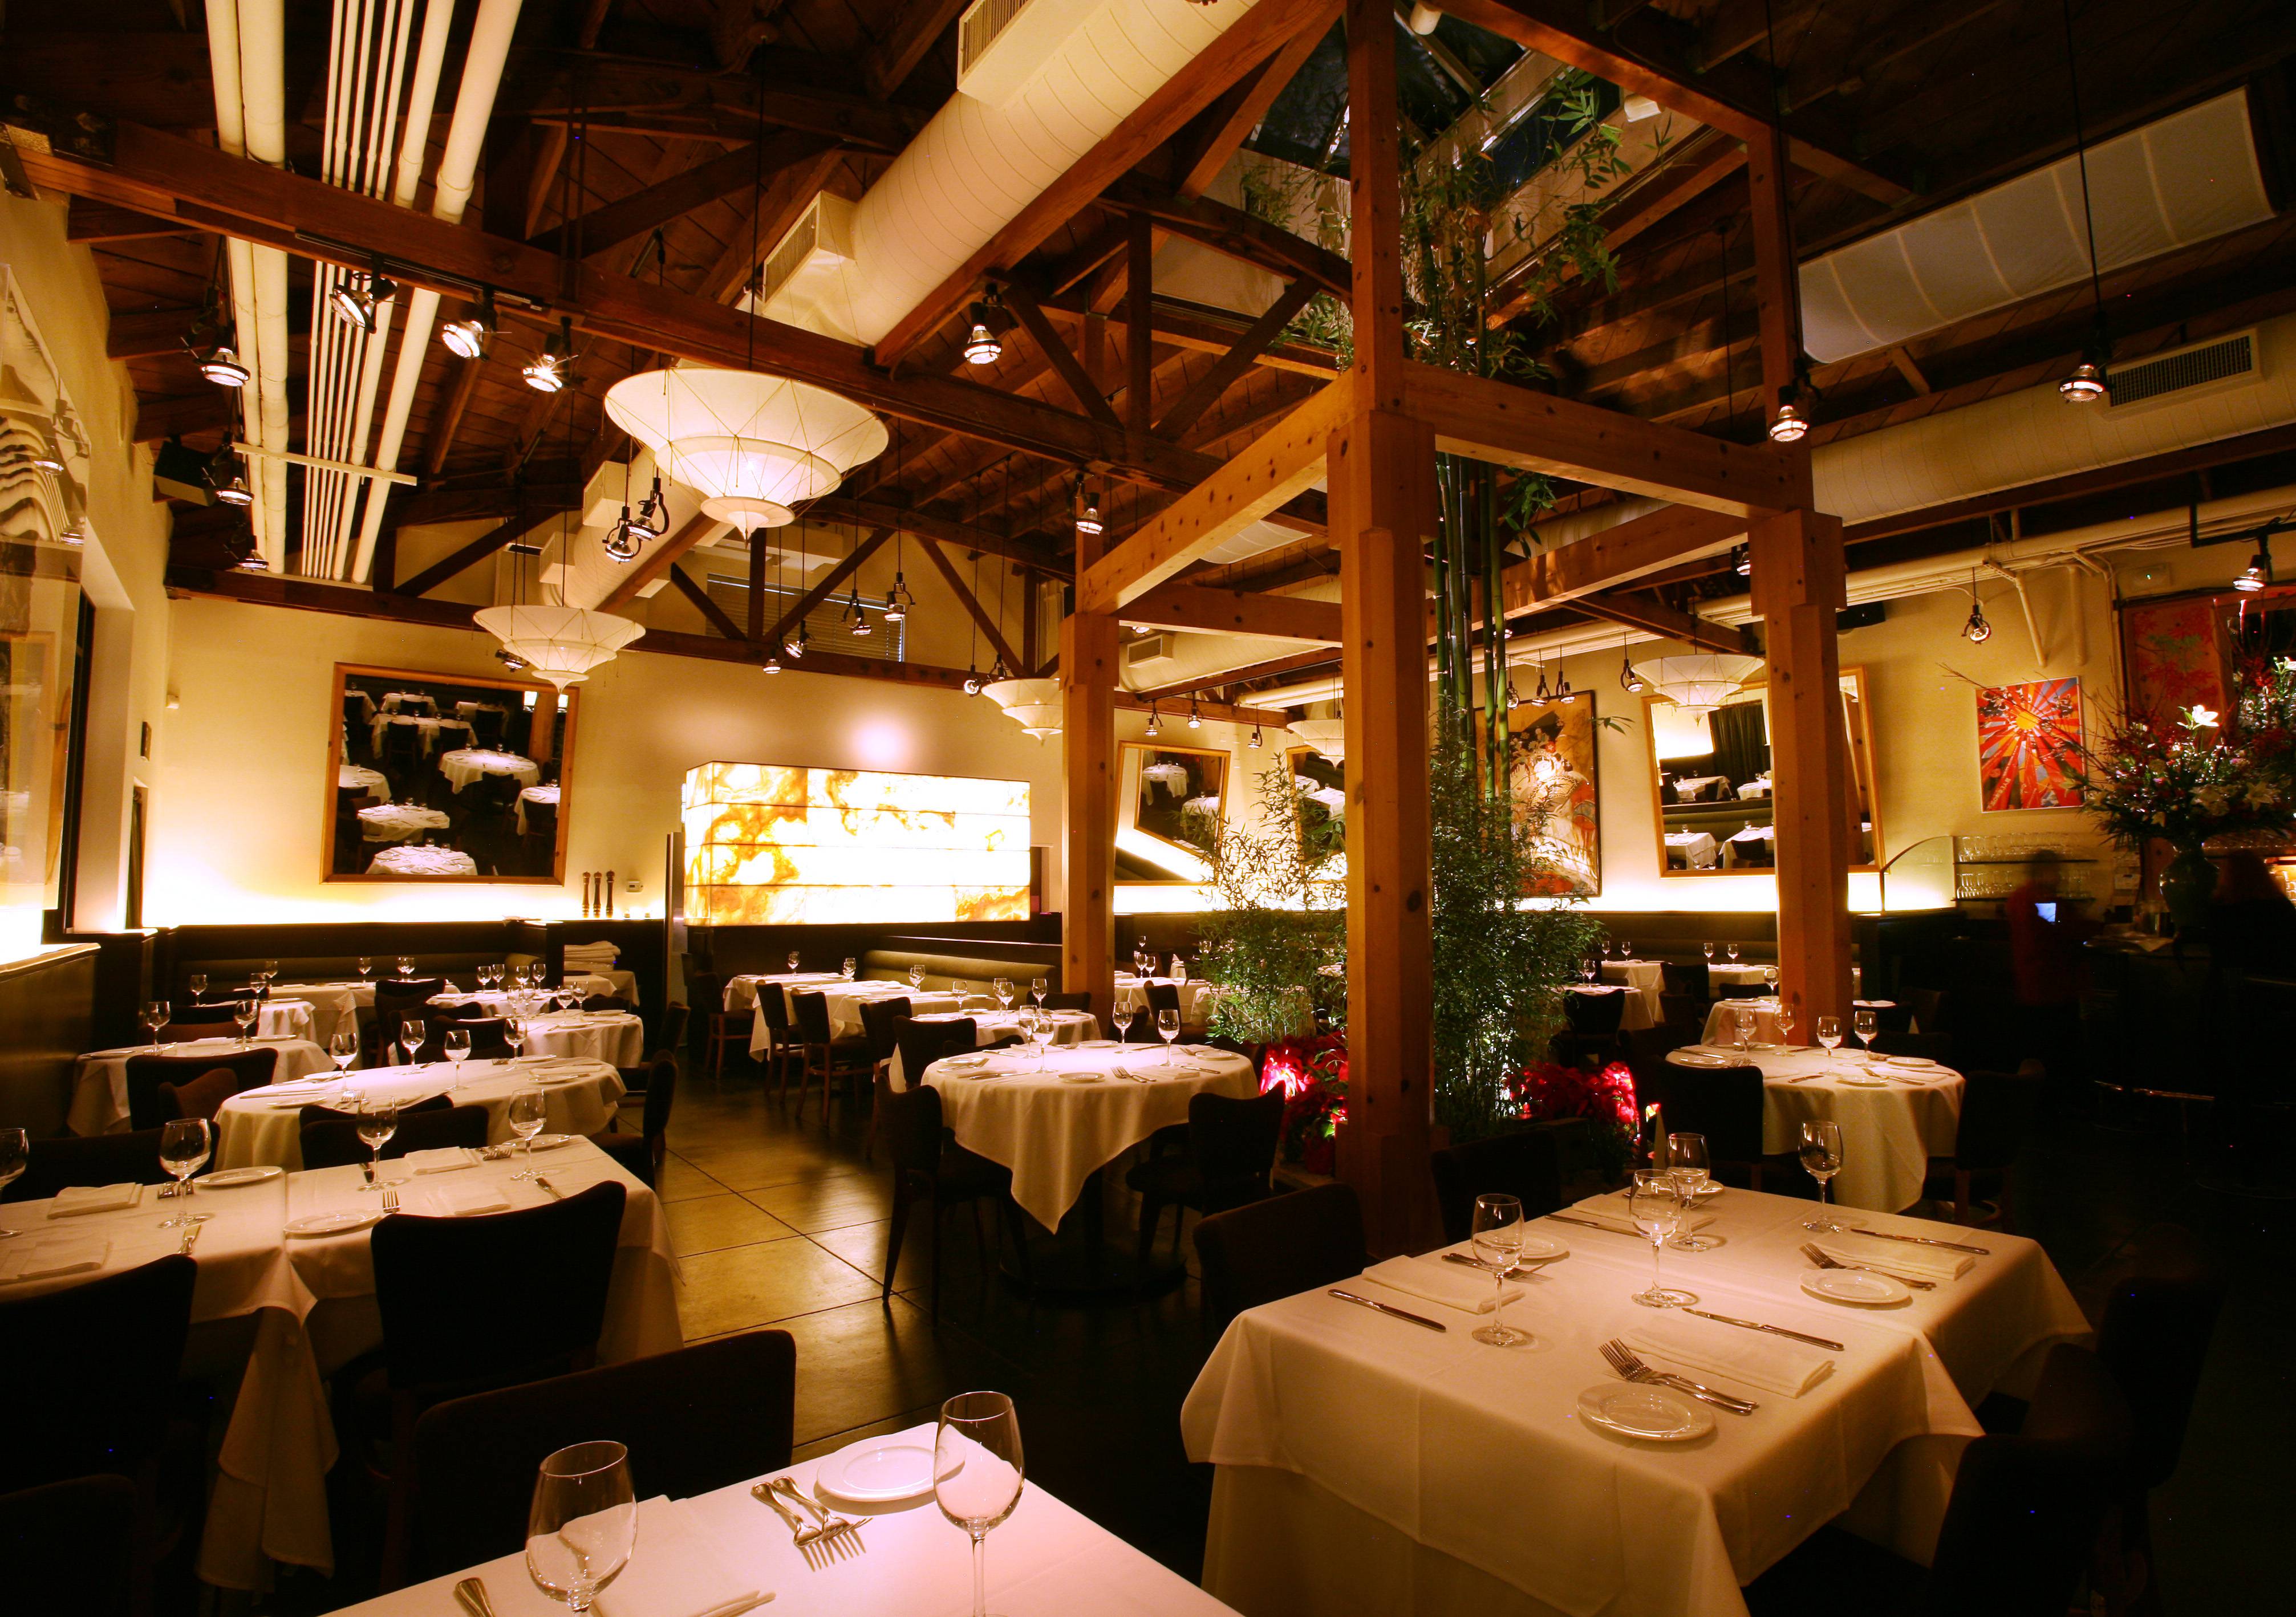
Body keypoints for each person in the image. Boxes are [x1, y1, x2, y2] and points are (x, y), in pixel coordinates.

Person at [2207, 852, 2296, 974]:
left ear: (2226, 876)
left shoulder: (2222, 908)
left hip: (2236, 975)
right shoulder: (2279, 905)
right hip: (2279, 974)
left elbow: (2220, 950)